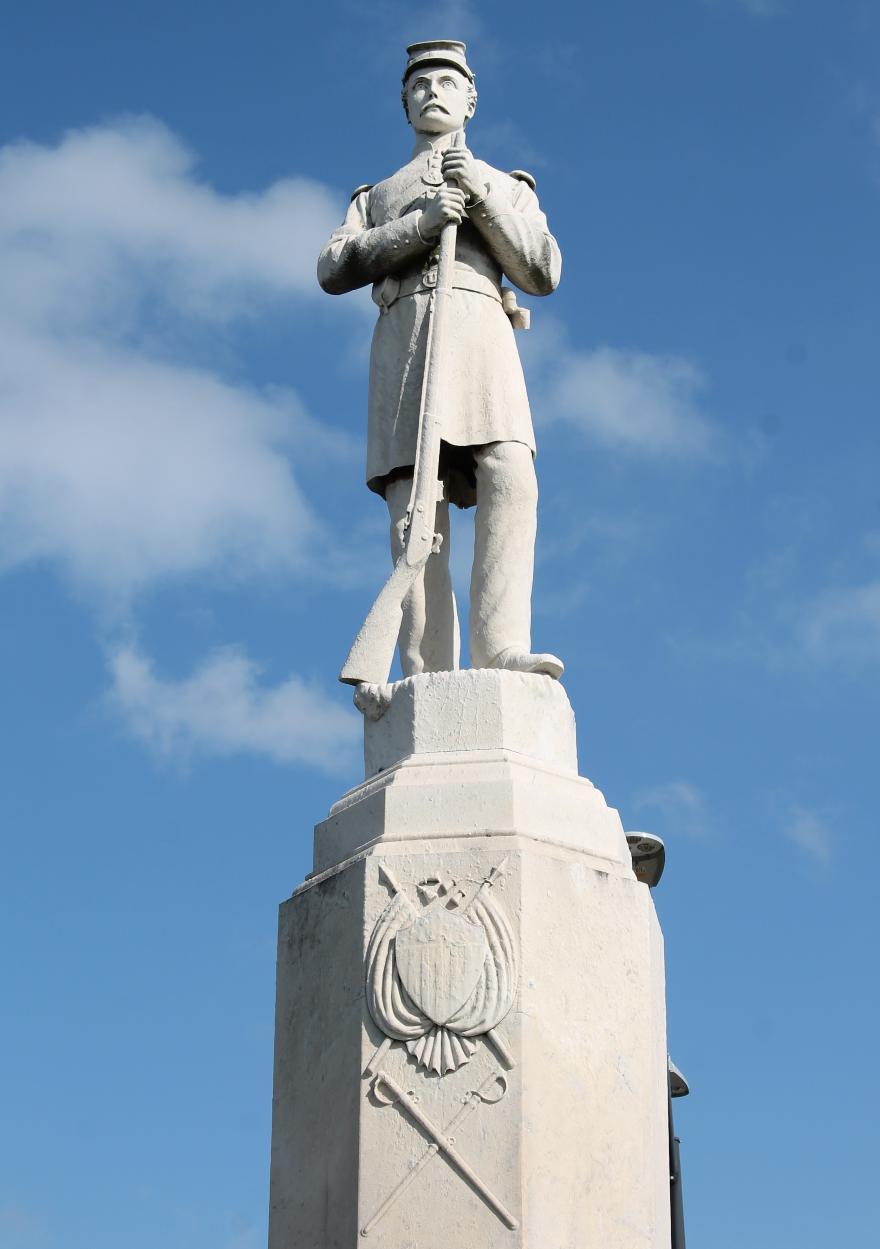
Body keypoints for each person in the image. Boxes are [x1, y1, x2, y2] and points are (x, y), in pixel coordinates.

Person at [318, 39, 563, 691]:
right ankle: (425, 670)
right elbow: (334, 266)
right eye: (419, 83)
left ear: (470, 99)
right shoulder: (376, 197)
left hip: (481, 332)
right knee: (413, 505)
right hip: (407, 340)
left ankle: (503, 645)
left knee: (511, 472)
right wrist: (422, 225)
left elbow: (542, 270)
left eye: (447, 81)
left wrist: (480, 194)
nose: (432, 90)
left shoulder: (507, 185)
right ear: (404, 103)